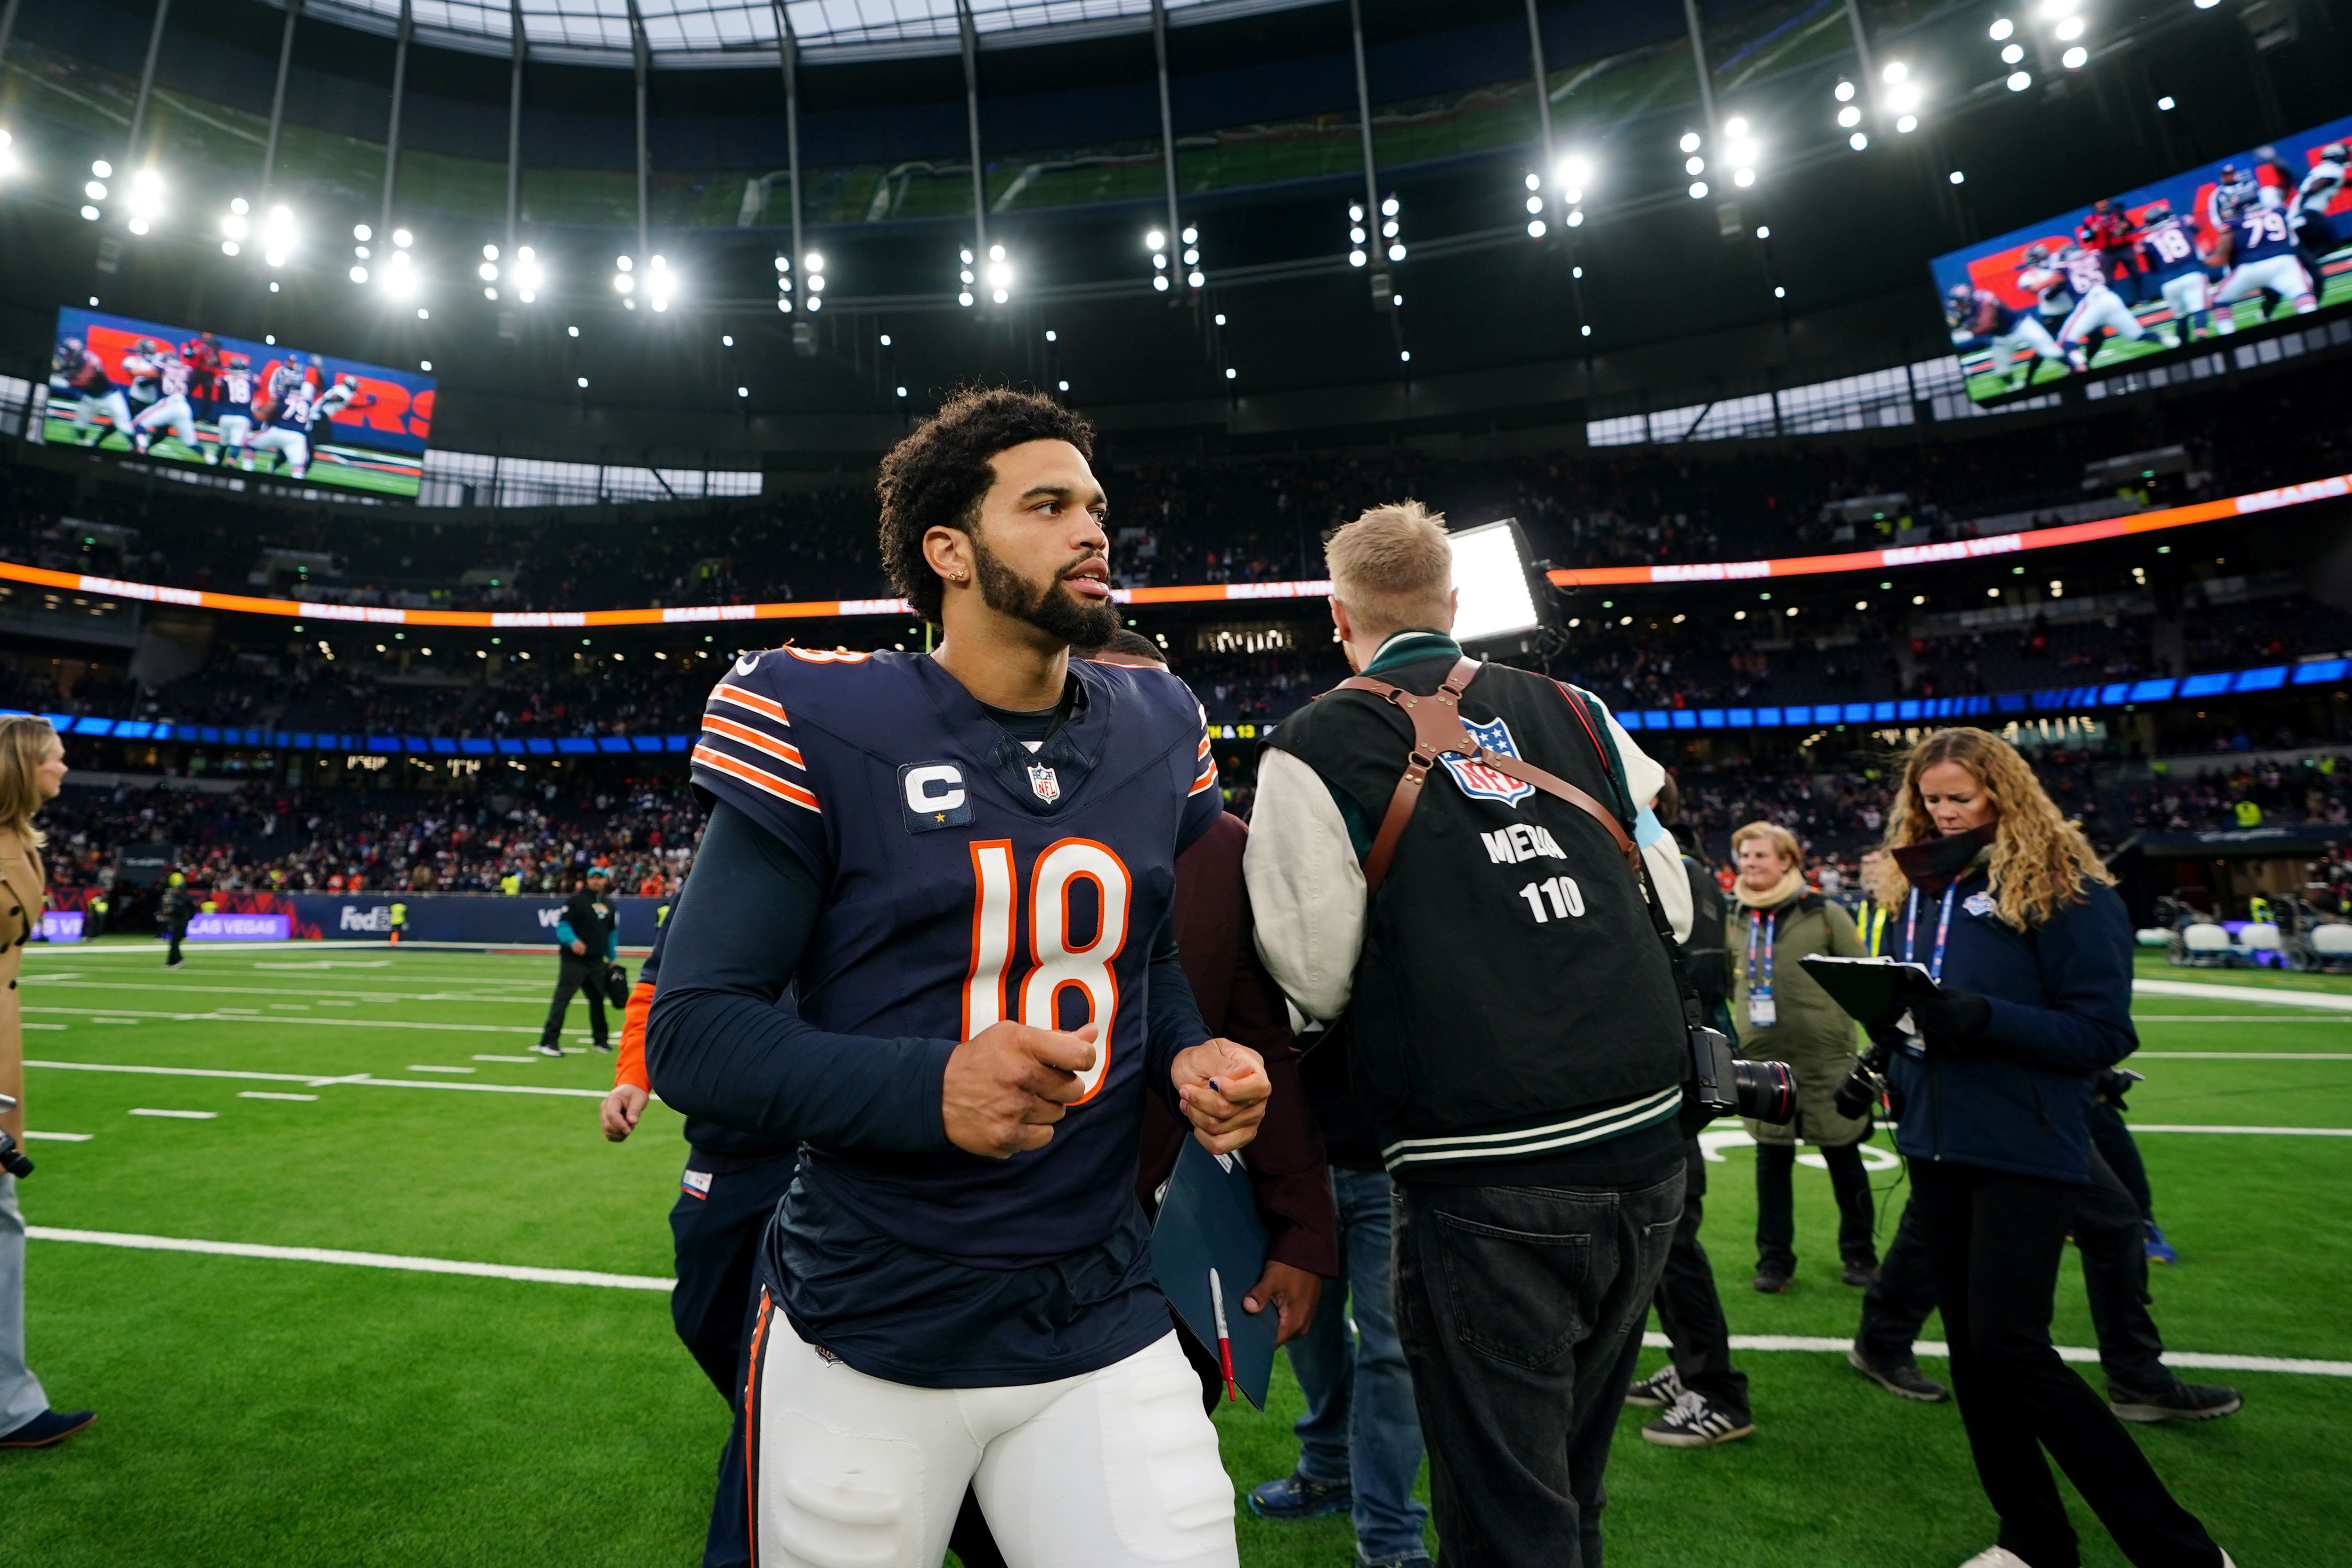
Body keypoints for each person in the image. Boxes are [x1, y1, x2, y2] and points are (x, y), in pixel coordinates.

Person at [645, 388, 1268, 1568]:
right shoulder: (821, 712)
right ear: (950, 551)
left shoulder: (1158, 718)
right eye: (1045, 505)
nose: (1092, 529)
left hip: (1097, 1296)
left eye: (1094, 505)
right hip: (868, 1311)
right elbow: (694, 1032)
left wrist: (1186, 1048)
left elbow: (1145, 946)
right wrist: (928, 1090)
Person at [1245, 501, 1692, 1568]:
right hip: (1648, 1148)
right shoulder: (1575, 707)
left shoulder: (1313, 744)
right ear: (1453, 604)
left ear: (1337, 615)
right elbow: (1671, 906)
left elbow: (1310, 976)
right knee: (1572, 1486)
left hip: (1484, 1168)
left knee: (1503, 1517)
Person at [1859, 727, 2237, 1568]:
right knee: (1968, 1348)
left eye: (1960, 797)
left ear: (2006, 791)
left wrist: (1983, 1017)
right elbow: (1924, 1006)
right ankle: (2031, 1535)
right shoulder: (1918, 886)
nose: (1942, 812)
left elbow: (2102, 1031)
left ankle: (2178, 1548)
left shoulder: (2065, 884)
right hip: (1932, 1134)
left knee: (2009, 1346)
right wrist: (1881, 1042)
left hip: (2024, 1139)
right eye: (1930, 799)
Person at [1625, 777, 1756, 1450]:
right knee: (1662, 1242)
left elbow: (1680, 978)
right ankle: (1691, 1366)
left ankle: (1717, 1390)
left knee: (1673, 1245)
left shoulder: (1658, 867)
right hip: (1683, 1072)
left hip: (1667, 1079)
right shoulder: (1688, 867)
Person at [1726, 821, 1880, 1293]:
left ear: (1787, 860)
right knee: (1771, 1162)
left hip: (1825, 1057)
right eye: (1744, 856)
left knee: (1843, 1154)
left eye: (1760, 856)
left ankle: (1860, 1253)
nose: (1750, 864)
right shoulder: (1731, 916)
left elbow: (1865, 979)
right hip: (1763, 1059)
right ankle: (1774, 1260)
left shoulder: (1825, 912)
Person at [0, 715, 92, 1449]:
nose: (66, 766)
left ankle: (10, 1404)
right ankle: (10, 1407)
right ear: (23, 765)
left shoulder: (21, 841)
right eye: (57, 757)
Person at [537, 869, 617, 1057]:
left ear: (605, 880)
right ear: (587, 880)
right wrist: (572, 941)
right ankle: (548, 1041)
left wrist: (612, 956)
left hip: (596, 961)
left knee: (598, 1001)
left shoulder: (609, 904)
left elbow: (611, 932)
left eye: (600, 878)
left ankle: (601, 1041)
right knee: (563, 1000)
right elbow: (563, 925)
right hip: (574, 961)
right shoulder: (576, 901)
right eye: (593, 878)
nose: (596, 882)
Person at [160, 871, 194, 969]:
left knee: (174, 942)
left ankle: (179, 960)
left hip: (180, 923)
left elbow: (179, 912)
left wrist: (169, 913)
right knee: (173, 942)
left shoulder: (182, 899)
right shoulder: (181, 898)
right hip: (178, 922)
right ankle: (170, 962)